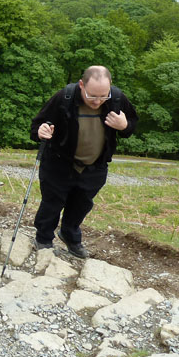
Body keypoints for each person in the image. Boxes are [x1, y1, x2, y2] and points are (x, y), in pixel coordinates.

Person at [31, 65, 138, 259]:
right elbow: (37, 125)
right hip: (58, 164)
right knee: (52, 204)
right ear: (82, 85)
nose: (97, 101)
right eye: (92, 96)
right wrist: (41, 131)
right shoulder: (64, 98)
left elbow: (131, 126)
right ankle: (44, 238)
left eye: (102, 96)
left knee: (81, 205)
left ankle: (70, 236)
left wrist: (124, 126)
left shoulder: (117, 99)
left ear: (110, 87)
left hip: (94, 168)